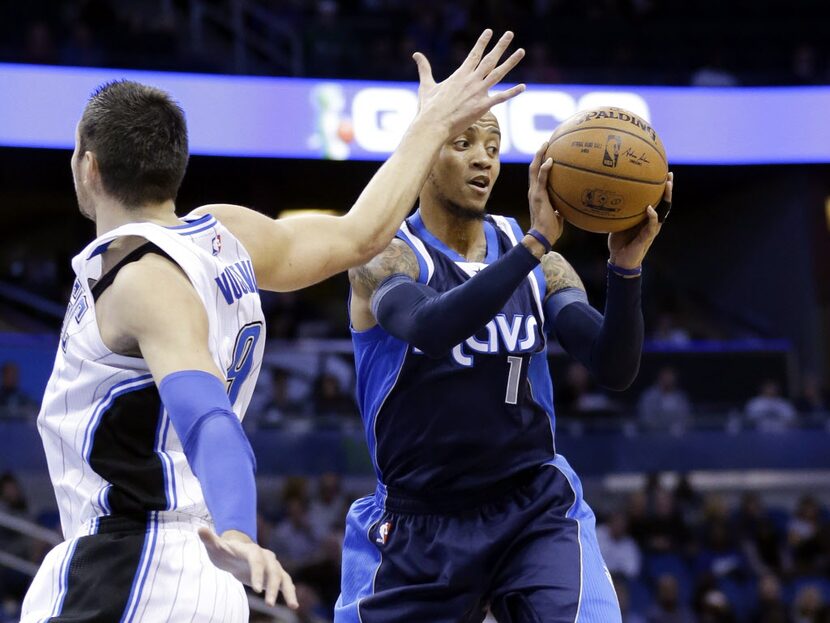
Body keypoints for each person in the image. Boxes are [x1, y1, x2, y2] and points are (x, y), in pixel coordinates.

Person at [21, 29, 526, 622]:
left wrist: (238, 528)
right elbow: (360, 234)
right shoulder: (224, 233)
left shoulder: (141, 280)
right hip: (197, 573)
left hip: (132, 567)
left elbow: (208, 417)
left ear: (88, 164)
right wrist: (430, 128)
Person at [341, 99, 672, 618]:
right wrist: (534, 244)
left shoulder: (543, 262)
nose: (484, 159)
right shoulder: (385, 253)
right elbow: (432, 328)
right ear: (424, 157)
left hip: (532, 506)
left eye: (493, 148)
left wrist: (624, 271)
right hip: (420, 518)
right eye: (464, 143)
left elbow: (613, 366)